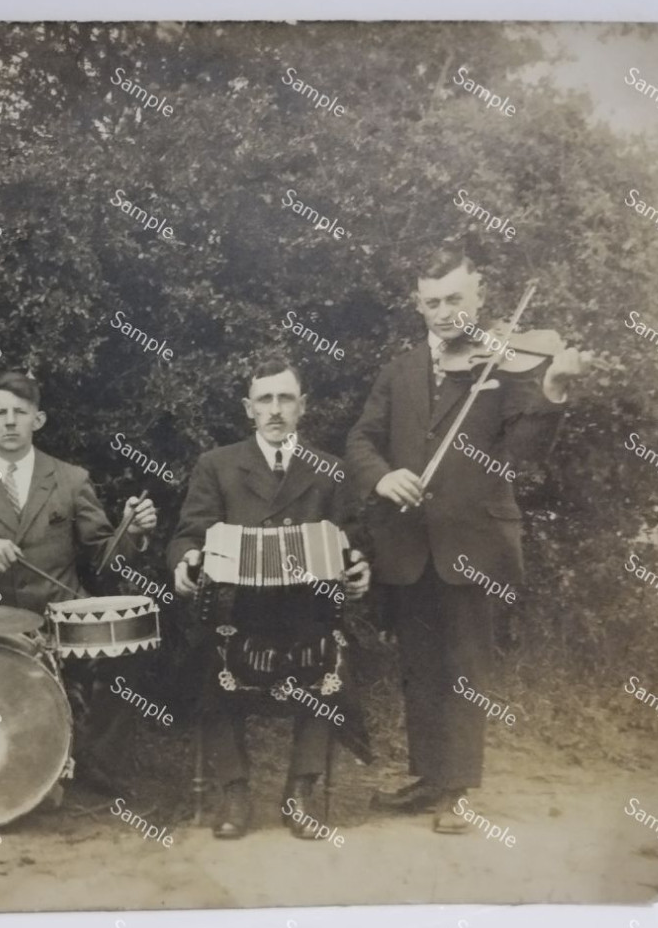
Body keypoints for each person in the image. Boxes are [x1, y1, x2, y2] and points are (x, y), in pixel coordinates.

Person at [344, 246, 587, 833]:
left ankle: (458, 790)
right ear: (416, 304)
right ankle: (430, 778)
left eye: (456, 298)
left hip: (473, 545)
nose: (446, 312)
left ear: (477, 294)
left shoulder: (504, 366)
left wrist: (552, 391)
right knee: (419, 667)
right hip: (407, 544)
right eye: (433, 302)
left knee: (465, 668)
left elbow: (525, 456)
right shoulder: (399, 371)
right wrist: (383, 476)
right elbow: (360, 440)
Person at [0, 370, 157, 791]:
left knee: (125, 656)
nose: (9, 421)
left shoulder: (70, 479)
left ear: (37, 420)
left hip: (64, 624)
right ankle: (27, 770)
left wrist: (131, 531)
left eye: (19, 412)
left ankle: (96, 763)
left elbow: (104, 558)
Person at [169, 357, 370, 839]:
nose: (275, 410)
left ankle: (300, 790)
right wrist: (185, 564)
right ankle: (234, 788)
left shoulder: (331, 471)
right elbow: (188, 534)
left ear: (303, 406)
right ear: (248, 408)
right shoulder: (217, 465)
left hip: (309, 610)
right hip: (238, 610)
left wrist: (360, 568)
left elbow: (355, 537)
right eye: (265, 399)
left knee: (328, 659)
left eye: (285, 399)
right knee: (211, 653)